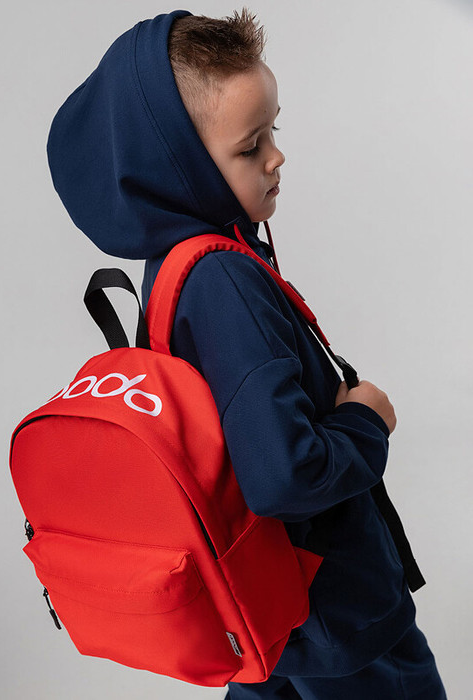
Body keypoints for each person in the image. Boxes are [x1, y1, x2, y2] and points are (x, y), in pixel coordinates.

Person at [46, 7, 447, 699]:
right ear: (178, 168)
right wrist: (366, 421)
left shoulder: (174, 266)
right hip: (336, 615)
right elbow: (283, 477)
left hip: (263, 613)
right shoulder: (223, 282)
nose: (275, 157)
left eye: (273, 132)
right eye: (248, 146)